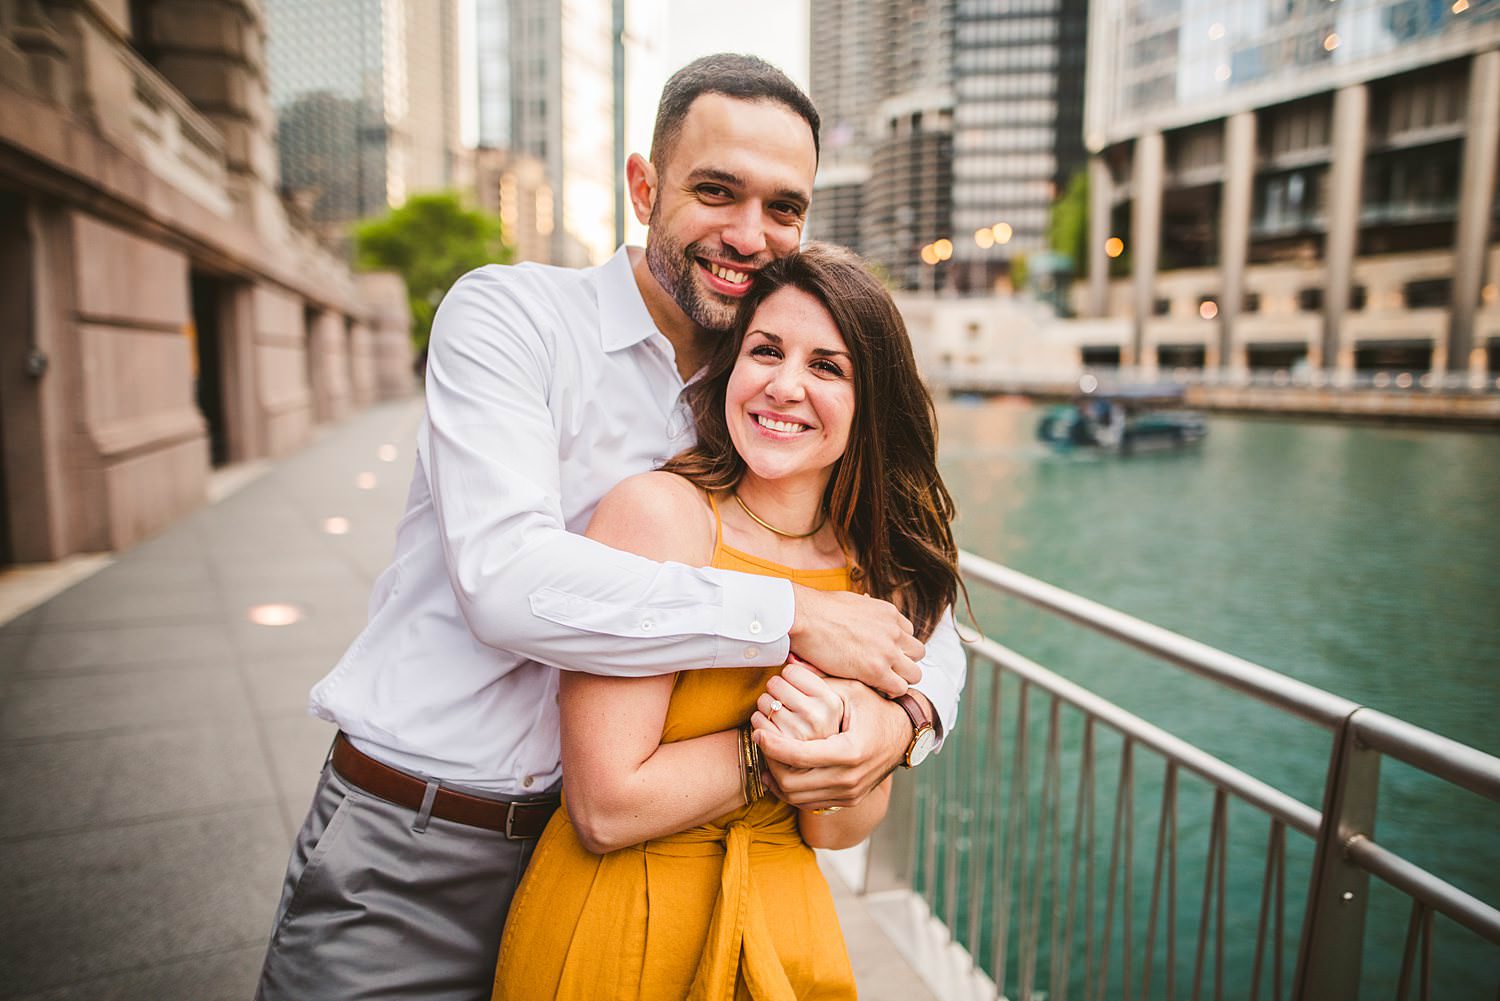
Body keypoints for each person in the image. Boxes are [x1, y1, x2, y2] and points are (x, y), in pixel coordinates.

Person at [254, 55, 964, 1001]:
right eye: (717, 190)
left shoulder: (765, 391)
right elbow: (507, 581)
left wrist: (902, 717)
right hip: (419, 841)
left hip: (630, 868)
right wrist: (792, 617)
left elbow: (913, 602)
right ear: (644, 185)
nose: (748, 233)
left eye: (783, 208)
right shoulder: (511, 319)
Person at [492, 243, 963, 999]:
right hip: (628, 927)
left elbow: (840, 828)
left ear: (870, 401)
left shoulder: (877, 572)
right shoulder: (659, 516)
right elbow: (606, 806)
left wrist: (855, 746)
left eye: (827, 366)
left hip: (787, 926)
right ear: (730, 368)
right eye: (765, 350)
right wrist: (771, 756)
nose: (784, 386)